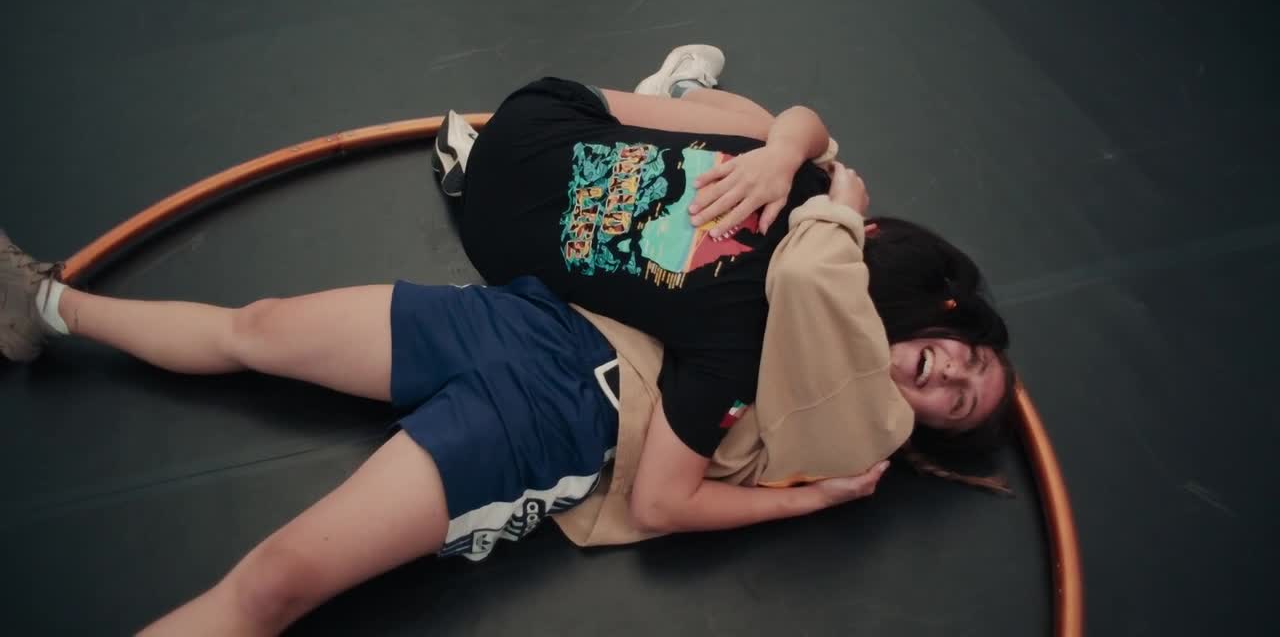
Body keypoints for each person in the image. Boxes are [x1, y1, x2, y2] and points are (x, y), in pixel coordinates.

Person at [0, 48, 1014, 636]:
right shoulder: (809, 211)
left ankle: (668, 97)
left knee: (275, 581)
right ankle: (41, 307)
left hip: (554, 408)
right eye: (959, 353)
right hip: (529, 313)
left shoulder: (805, 401)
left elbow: (667, 496)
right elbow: (809, 157)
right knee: (257, 327)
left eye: (958, 395)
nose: (947, 372)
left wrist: (816, 498)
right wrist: (796, 159)